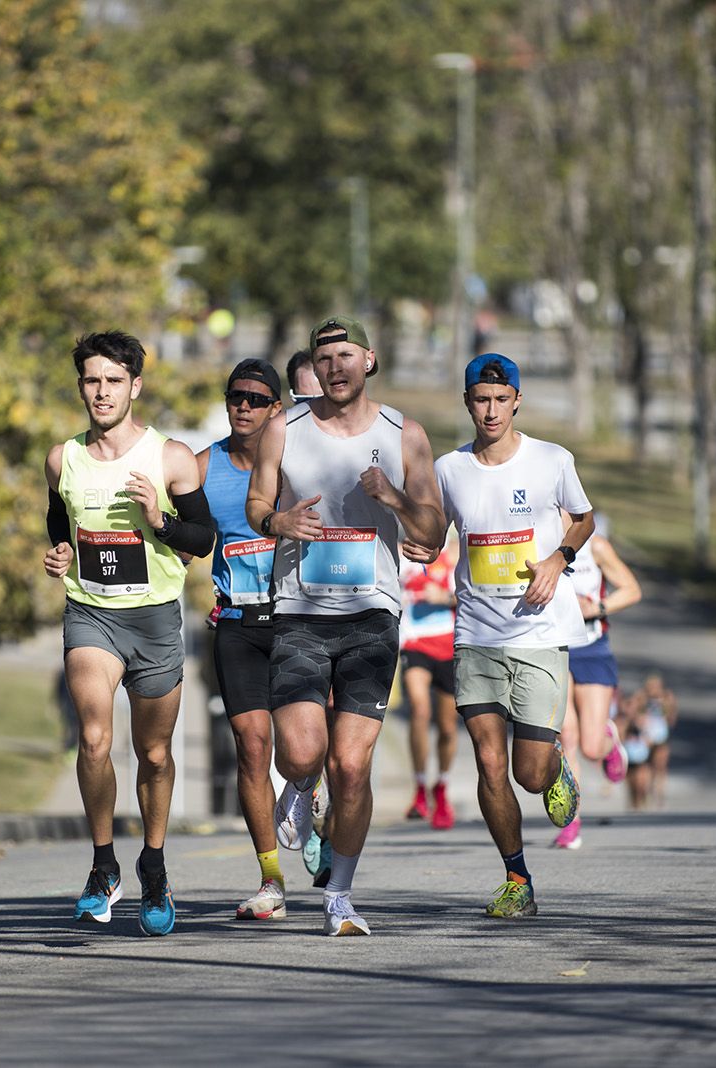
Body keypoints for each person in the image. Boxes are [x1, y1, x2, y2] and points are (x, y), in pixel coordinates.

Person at [247, 315, 446, 936]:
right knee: (303, 752)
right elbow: (257, 503)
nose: (335, 366)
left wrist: (393, 499)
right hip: (301, 613)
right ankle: (301, 787)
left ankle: (340, 895)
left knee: (353, 767)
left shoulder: (405, 434)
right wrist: (278, 525)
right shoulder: (284, 427)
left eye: (345, 355)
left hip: (372, 615)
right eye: (323, 356)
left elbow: (434, 531)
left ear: (370, 360)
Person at [42, 330, 215, 936]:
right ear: (81, 386)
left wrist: (158, 521)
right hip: (91, 613)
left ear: (135, 387)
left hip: (156, 618)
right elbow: (58, 517)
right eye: (92, 381)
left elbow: (203, 539)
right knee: (93, 739)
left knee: (155, 753)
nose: (102, 392)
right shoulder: (63, 458)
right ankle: (102, 864)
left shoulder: (170, 458)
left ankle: (155, 863)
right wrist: (60, 551)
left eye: (114, 381)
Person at [421, 352, 595, 919]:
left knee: (528, 772)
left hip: (540, 633)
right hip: (475, 634)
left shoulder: (552, 460)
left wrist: (558, 556)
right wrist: (415, 538)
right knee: (489, 763)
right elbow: (432, 531)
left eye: (501, 400)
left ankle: (554, 766)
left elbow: (584, 517)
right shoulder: (450, 469)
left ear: (517, 401)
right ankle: (517, 876)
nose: (490, 410)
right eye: (480, 399)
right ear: (467, 402)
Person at [196, 358, 287, 920]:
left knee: (307, 750)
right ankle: (271, 880)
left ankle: (308, 795)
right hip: (235, 624)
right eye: (236, 397)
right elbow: (185, 537)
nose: (245, 406)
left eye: (257, 398)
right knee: (253, 750)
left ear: (276, 408)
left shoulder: (293, 461)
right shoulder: (206, 466)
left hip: (299, 621)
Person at [552, 526, 642, 848]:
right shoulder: (538, 541)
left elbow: (632, 589)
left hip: (592, 648)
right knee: (566, 737)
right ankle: (570, 821)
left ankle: (607, 741)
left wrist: (597, 608)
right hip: (553, 647)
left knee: (590, 747)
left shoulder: (597, 547)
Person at [400, 540, 460, 829]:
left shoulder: (453, 550)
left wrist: (445, 597)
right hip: (414, 643)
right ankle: (420, 788)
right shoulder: (401, 551)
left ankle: (442, 787)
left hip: (448, 644)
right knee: (420, 710)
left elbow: (474, 596)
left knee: (448, 728)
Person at [639, 673, 678, 809]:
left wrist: (668, 705)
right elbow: (634, 714)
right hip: (647, 736)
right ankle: (647, 792)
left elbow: (672, 718)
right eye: (650, 686)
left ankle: (659, 793)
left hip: (661, 735)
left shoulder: (667, 697)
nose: (653, 689)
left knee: (660, 766)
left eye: (656, 686)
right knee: (647, 766)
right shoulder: (642, 697)